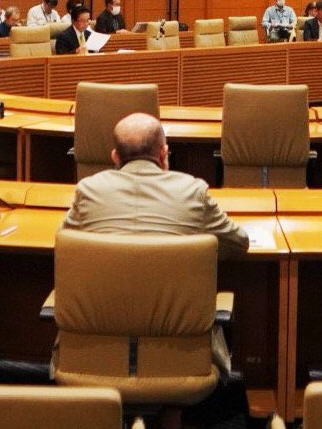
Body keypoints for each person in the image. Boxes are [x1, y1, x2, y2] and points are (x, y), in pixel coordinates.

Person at [62, 113, 249, 382]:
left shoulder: (88, 191)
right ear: (163, 154)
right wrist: (204, 254)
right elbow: (239, 243)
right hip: (183, 364)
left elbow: (67, 246)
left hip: (93, 360)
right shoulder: (193, 191)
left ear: (115, 157)